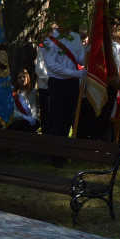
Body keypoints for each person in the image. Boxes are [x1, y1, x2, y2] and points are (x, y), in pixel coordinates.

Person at [42, 19, 87, 163]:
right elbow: (52, 65)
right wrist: (76, 74)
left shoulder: (75, 37)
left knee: (69, 116)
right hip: (57, 83)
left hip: (72, 83)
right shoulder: (49, 41)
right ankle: (55, 155)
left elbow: (80, 60)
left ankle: (65, 152)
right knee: (56, 118)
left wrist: (88, 52)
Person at [7, 68, 39, 133]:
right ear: (16, 80)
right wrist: (24, 117)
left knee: (35, 124)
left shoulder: (32, 92)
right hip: (18, 120)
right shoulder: (13, 93)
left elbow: (35, 109)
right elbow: (12, 113)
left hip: (30, 120)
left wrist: (34, 119)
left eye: (24, 77)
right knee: (23, 124)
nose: (22, 79)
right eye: (20, 78)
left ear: (28, 78)